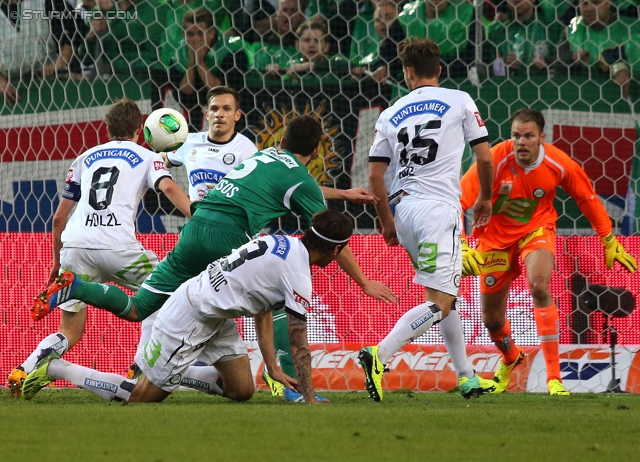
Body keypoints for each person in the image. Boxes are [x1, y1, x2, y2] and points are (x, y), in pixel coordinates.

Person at [31, 115, 396, 393]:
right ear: (316, 151)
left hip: (195, 227)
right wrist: (364, 282)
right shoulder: (299, 177)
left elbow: (285, 185)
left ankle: (77, 287)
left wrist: (344, 194)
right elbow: (327, 235)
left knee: (139, 307)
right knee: (279, 300)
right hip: (227, 239)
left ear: (281, 140)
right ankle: (288, 387)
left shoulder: (263, 155)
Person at [22, 210, 353, 404]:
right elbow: (298, 342)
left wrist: (272, 366)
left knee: (241, 390)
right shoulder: (298, 274)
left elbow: (263, 308)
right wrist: (309, 396)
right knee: (141, 398)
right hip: (193, 315)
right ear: (335, 252)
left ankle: (173, 371)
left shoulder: (280, 242)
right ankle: (57, 368)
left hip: (217, 314)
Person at [7, 99, 193, 397]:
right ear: (138, 129)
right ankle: (140, 367)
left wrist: (56, 262)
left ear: (106, 129)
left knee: (71, 331)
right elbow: (168, 187)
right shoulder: (146, 157)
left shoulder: (84, 158)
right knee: (165, 292)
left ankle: (23, 369)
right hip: (117, 247)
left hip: (75, 246)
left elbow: (58, 218)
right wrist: (197, 215)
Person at [459, 108, 637, 395]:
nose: (521, 142)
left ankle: (554, 378)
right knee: (491, 320)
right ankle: (510, 358)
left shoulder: (558, 162)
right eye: (516, 135)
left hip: (536, 229)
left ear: (542, 137)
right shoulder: (493, 159)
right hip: (493, 240)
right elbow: (457, 201)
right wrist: (463, 246)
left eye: (528, 136)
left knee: (540, 285)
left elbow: (587, 197)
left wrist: (607, 239)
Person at [359, 37, 495, 401]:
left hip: (404, 213)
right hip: (438, 209)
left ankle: (466, 375)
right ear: (440, 69)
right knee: (440, 301)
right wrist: (485, 197)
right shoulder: (460, 100)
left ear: (406, 72)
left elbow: (374, 177)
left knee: (444, 293)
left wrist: (387, 223)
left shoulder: (390, 113)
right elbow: (484, 158)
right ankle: (379, 355)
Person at [558, 0, 640, 99]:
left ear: (608, 3)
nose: (589, 8)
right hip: (580, 97)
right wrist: (572, 58)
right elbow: (554, 61)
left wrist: (621, 69)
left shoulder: (633, 30)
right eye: (584, 3)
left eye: (595, 2)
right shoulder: (572, 30)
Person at [484, 0, 565, 77]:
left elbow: (564, 60)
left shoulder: (552, 28)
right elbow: (485, 67)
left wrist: (547, 63)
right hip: (507, 89)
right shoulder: (496, 32)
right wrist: (502, 67)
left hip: (544, 88)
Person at [266, 19, 350, 79]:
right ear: (297, 46)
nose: (312, 45)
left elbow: (350, 66)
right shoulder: (291, 64)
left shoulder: (336, 62)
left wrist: (310, 66)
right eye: (307, 40)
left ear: (326, 47)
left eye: (317, 41)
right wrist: (274, 73)